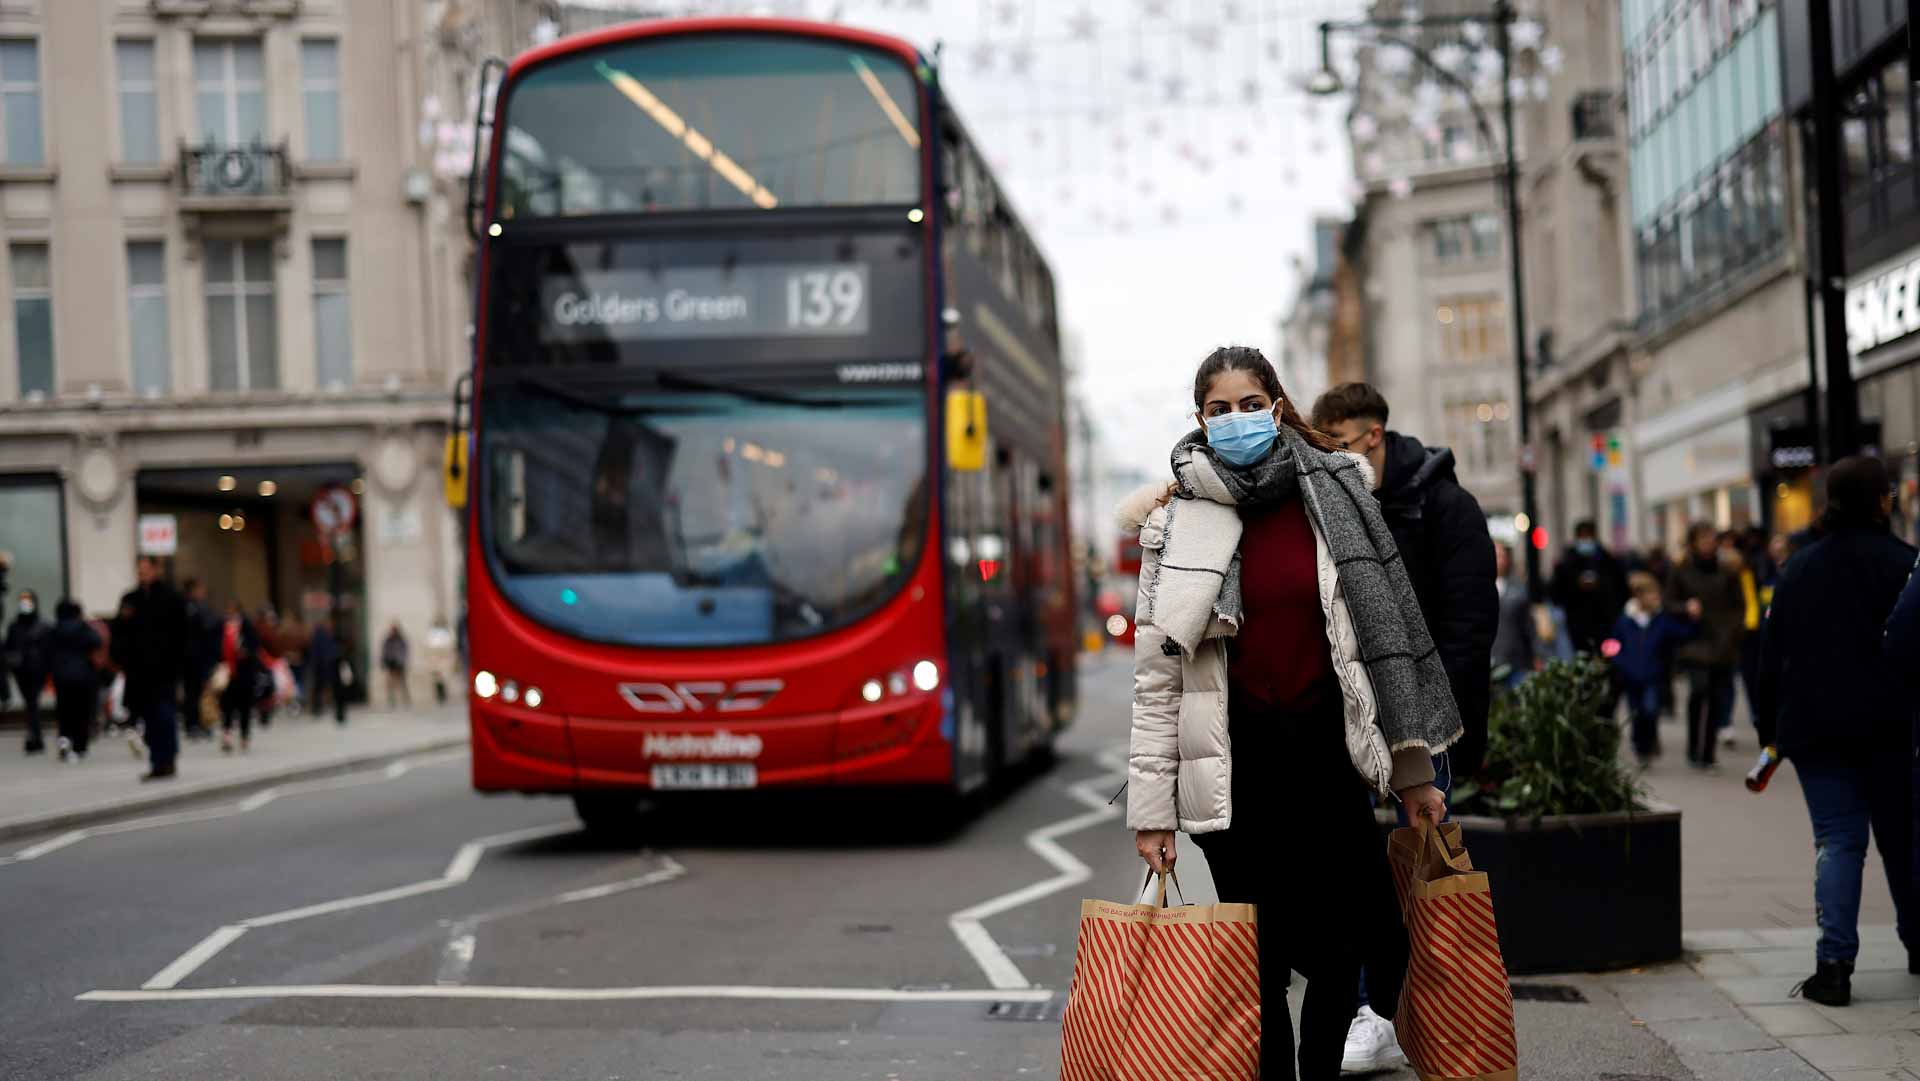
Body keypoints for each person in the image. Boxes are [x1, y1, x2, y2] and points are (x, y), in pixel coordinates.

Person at [1126, 347, 1456, 1079]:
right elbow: (1158, 680)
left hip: (1327, 756)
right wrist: (1152, 812)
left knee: (1343, 945)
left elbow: (1385, 647)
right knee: (1263, 953)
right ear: (1200, 420)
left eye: (1251, 403)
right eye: (1219, 409)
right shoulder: (1177, 521)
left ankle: (1320, 1068)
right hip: (1236, 766)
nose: (1236, 419)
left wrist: (1414, 773)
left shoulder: (1336, 494)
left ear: (1278, 407)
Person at [1310, 381, 1497, 1071]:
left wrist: (1452, 729)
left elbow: (1470, 628)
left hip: (1423, 724)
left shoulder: (1446, 507)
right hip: (1354, 719)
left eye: (1339, 445)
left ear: (1374, 436)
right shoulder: (1338, 508)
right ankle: (1373, 1009)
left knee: (1424, 872)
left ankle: (1432, 1005)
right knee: (1358, 873)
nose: (1331, 459)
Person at [1755, 456, 1917, 1007]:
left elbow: (1769, 657)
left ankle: (1834, 965)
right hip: (1893, 729)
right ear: (1879, 501)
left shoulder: (1798, 569)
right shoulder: (1902, 563)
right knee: (1904, 840)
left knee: (1838, 842)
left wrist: (1768, 731)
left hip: (1816, 731)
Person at [1665, 523, 1745, 769]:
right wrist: (1685, 607)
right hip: (1694, 639)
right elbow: (1668, 602)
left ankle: (1708, 753)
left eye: (1711, 538)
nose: (1709, 543)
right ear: (1693, 543)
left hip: (1721, 641)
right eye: (1703, 538)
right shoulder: (1681, 570)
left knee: (1715, 695)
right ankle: (1692, 748)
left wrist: (1732, 631)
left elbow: (1738, 605)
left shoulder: (1727, 570)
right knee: (1698, 691)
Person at [1608, 572, 1694, 768]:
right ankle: (1640, 746)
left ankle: (1648, 745)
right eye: (1652, 596)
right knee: (1636, 714)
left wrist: (1693, 620)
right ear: (1639, 596)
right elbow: (1613, 643)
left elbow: (1680, 634)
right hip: (1630, 676)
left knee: (1650, 710)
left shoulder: (1660, 619)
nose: (1656, 600)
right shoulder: (1625, 620)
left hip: (1652, 675)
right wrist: (1619, 661)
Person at [112, 557, 186, 781]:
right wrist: (122, 659)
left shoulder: (170, 598)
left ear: (156, 570)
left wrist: (176, 663)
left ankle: (166, 758)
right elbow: (119, 632)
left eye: (146, 569)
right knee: (147, 717)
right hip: (138, 672)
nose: (142, 573)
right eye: (139, 570)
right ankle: (157, 759)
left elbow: (182, 634)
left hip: (164, 670)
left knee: (164, 714)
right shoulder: (130, 600)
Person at [1548, 520, 1630, 656]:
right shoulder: (1567, 562)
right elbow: (1557, 592)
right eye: (1583, 537)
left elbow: (1620, 588)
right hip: (1577, 622)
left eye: (1588, 536)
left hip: (1604, 621)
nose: (1586, 541)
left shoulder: (1607, 560)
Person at [46, 599, 101, 762]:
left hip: (61, 676)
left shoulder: (54, 629)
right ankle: (79, 744)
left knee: (64, 710)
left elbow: (47, 650)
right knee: (81, 711)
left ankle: (64, 738)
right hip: (82, 675)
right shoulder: (83, 628)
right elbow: (96, 641)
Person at [5, 589, 50, 754]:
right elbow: (8, 647)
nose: (25, 602)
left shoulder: (42, 625)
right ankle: (34, 736)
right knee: (31, 703)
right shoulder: (15, 625)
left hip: (37, 670)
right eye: (22, 599)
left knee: (32, 702)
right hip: (20, 671)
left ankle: (34, 737)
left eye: (27, 599)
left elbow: (48, 649)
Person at [1490, 542, 1535, 689]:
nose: (1498, 560)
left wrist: (1535, 655)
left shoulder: (1519, 590)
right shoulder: (1478, 588)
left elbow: (1528, 627)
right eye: (1495, 556)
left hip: (1516, 661)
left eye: (1502, 556)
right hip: (1490, 660)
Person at [179, 579, 219, 742]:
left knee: (199, 692)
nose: (203, 592)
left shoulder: (197, 607)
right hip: (194, 659)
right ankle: (193, 724)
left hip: (198, 658)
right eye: (200, 589)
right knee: (194, 693)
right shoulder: (191, 608)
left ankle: (201, 723)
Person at [218, 602, 260, 754]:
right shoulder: (222, 626)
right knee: (227, 705)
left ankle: (244, 735)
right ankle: (227, 735)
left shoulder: (247, 626)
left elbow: (255, 645)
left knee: (245, 706)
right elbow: (216, 647)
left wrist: (246, 652)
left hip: (244, 673)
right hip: (228, 673)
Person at [307, 617, 338, 717]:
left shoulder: (321, 635)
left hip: (321, 665)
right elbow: (324, 652)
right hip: (322, 666)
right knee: (320, 687)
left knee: (320, 687)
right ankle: (318, 706)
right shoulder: (322, 636)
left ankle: (319, 706)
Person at [381, 621, 411, 709]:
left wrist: (401, 661)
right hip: (391, 664)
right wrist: (384, 661)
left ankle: (405, 699)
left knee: (402, 682)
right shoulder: (388, 640)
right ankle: (391, 700)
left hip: (399, 664)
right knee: (390, 683)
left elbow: (404, 651)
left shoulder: (401, 640)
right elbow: (385, 651)